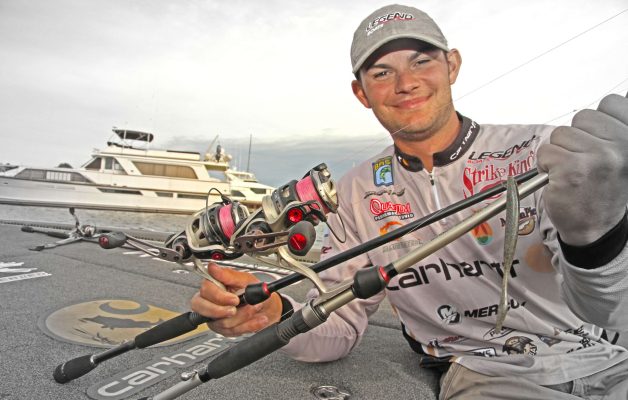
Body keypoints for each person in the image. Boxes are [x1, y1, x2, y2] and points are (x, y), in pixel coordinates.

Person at [191, 4, 628, 399]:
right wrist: (274, 314)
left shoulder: (542, 151)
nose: (406, 83)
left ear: (452, 65)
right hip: (486, 375)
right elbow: (337, 330)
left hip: (611, 356)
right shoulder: (354, 193)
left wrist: (597, 235)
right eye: (382, 73)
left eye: (421, 61)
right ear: (361, 93)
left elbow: (606, 308)